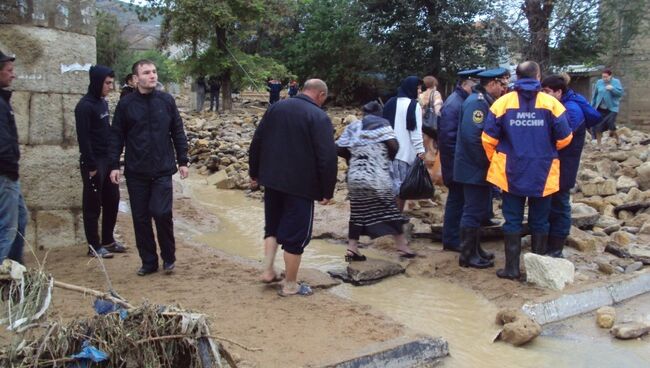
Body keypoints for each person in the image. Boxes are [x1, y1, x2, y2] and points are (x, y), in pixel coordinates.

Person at [482, 61, 573, 280]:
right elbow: (565, 138)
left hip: (510, 171)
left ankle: (511, 269)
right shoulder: (552, 104)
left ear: (516, 77)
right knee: (540, 220)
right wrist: (546, 149)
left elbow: (487, 139)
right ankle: (537, 271)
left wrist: (498, 159)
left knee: (512, 220)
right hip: (543, 170)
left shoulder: (501, 103)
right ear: (538, 76)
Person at [249, 79, 337, 296]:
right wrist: (328, 190)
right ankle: (290, 284)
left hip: (271, 180)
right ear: (320, 95)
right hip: (301, 185)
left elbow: (257, 140)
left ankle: (268, 271)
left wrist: (254, 172)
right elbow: (327, 157)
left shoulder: (276, 108)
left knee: (273, 227)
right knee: (296, 237)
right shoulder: (319, 116)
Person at [109, 59, 189, 276]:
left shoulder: (166, 101)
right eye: (146, 72)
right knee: (141, 218)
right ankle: (149, 261)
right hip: (136, 171)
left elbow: (177, 131)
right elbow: (116, 135)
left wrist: (183, 160)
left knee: (162, 213)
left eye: (154, 71)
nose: (152, 75)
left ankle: (169, 257)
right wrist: (114, 165)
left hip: (163, 169)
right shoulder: (126, 105)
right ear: (136, 79)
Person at [336, 102, 416, 260]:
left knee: (357, 213)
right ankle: (402, 246)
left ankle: (352, 249)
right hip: (376, 175)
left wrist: (353, 157)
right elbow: (394, 147)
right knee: (390, 209)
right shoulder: (383, 125)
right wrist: (385, 158)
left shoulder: (354, 127)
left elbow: (337, 148)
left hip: (355, 177)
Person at [453, 68, 510, 269]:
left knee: (477, 211)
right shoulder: (477, 103)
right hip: (473, 166)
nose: (504, 89)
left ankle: (476, 249)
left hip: (476, 166)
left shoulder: (483, 101)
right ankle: (467, 255)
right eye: (501, 85)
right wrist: (487, 163)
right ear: (491, 84)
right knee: (472, 210)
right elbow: (472, 138)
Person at [542, 74, 600, 257]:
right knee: (554, 202)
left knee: (560, 204)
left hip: (565, 164)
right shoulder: (563, 105)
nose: (544, 95)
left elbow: (562, 138)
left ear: (559, 92)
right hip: (557, 164)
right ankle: (550, 242)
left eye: (547, 91)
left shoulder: (572, 110)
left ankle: (557, 247)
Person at [75, 65, 127, 259]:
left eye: (111, 83)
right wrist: (91, 166)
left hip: (107, 159)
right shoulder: (84, 106)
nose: (110, 87)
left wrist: (114, 161)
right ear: (97, 82)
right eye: (107, 83)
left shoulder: (102, 103)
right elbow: (83, 138)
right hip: (93, 162)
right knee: (92, 205)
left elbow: (107, 131)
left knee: (112, 201)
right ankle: (94, 246)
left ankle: (108, 241)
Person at [438, 69, 481, 252]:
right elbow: (448, 139)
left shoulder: (460, 101)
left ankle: (455, 238)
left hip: (457, 162)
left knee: (460, 201)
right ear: (466, 84)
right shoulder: (454, 104)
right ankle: (452, 239)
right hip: (455, 163)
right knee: (456, 202)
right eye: (475, 86)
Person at [382, 76, 425, 213]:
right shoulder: (414, 105)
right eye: (418, 88)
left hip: (388, 152)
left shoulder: (390, 102)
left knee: (391, 188)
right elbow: (415, 131)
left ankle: (390, 218)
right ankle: (396, 219)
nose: (419, 91)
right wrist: (420, 150)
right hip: (404, 153)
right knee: (402, 190)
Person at [0, 50, 27, 264]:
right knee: (7, 228)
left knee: (20, 220)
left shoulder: (3, 100)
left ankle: (15, 273)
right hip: (4, 174)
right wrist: (9, 167)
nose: (13, 75)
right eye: (9, 71)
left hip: (9, 174)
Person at [418, 75, 444, 184]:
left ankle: (422, 181)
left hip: (423, 129)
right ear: (434, 84)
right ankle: (430, 183)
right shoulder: (436, 94)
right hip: (432, 130)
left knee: (424, 154)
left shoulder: (421, 95)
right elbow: (438, 111)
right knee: (432, 154)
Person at [591, 68, 624, 145]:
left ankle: (618, 139)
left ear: (610, 76)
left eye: (606, 77)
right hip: (600, 108)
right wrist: (592, 106)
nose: (604, 79)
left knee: (611, 125)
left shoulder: (616, 82)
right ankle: (599, 145)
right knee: (598, 127)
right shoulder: (599, 82)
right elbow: (595, 95)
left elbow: (620, 94)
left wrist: (612, 89)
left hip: (612, 108)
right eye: (603, 77)